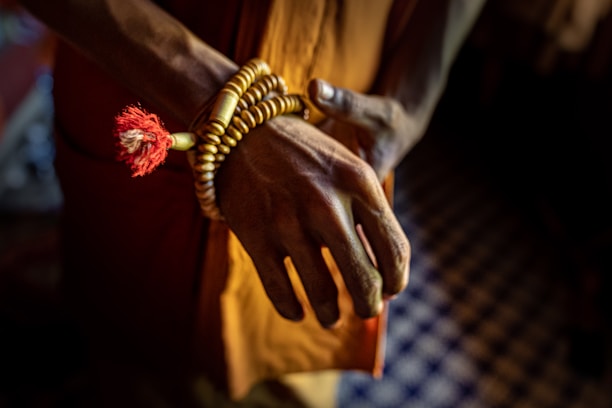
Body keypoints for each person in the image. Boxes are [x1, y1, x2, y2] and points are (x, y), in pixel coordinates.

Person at [16, 0, 486, 406]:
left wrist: (414, 99)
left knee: (300, 353)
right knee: (136, 365)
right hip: (143, 116)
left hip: (336, 149)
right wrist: (231, 111)